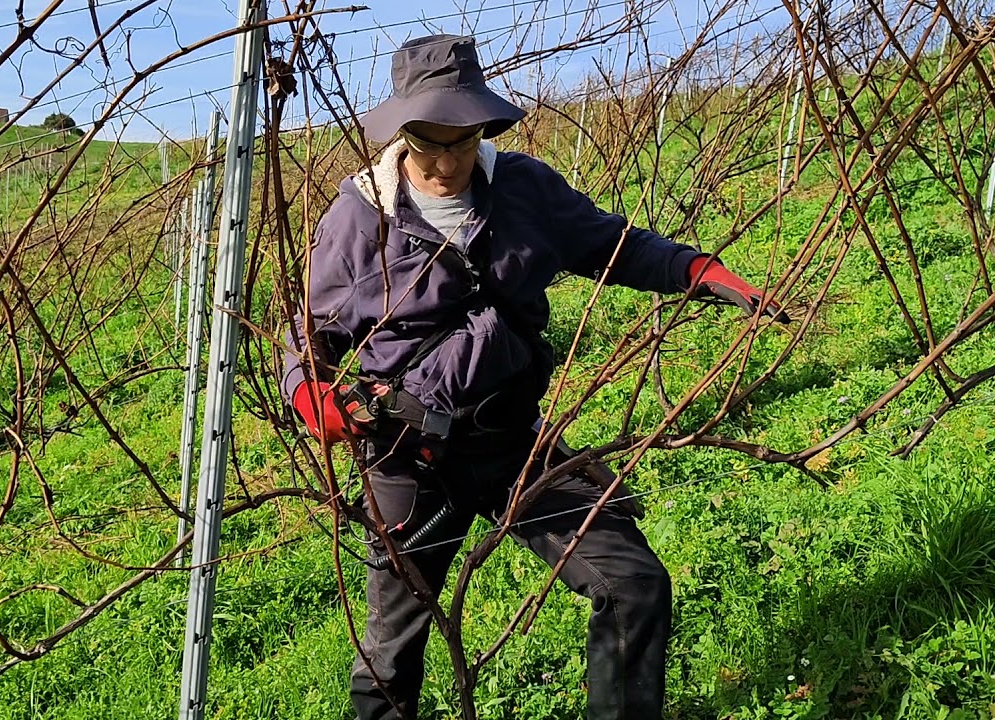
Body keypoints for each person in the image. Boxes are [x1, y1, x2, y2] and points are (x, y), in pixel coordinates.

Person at [280, 34, 787, 720]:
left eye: (462, 138)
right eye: (428, 141)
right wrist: (312, 395)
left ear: (482, 125)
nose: (445, 161)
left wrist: (696, 270)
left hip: (514, 444)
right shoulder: (359, 218)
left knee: (634, 583)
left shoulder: (524, 189)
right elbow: (307, 333)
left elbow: (615, 245)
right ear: (401, 132)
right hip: (410, 460)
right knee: (390, 655)